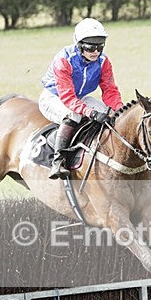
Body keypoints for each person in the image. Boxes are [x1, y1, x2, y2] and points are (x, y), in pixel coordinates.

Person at [40, 17, 124, 179]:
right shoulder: (64, 60)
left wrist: (119, 110)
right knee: (73, 115)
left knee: (111, 115)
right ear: (79, 45)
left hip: (80, 98)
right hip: (53, 98)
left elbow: (110, 91)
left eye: (100, 46)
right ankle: (58, 161)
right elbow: (68, 97)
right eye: (91, 47)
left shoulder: (103, 61)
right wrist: (91, 113)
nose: (96, 52)